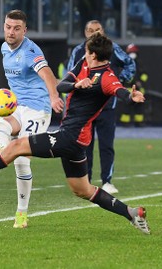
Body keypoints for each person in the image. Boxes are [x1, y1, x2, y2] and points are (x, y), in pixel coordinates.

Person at [0, 33, 150, 235]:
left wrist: (131, 97)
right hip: (76, 141)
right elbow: (62, 85)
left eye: (86, 52)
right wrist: (77, 84)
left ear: (93, 55)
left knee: (16, 147)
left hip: (70, 137)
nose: (84, 55)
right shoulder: (84, 65)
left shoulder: (106, 76)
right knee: (82, 190)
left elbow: (119, 91)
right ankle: (131, 213)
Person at [0, 10, 64, 229]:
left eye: (17, 28)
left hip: (38, 109)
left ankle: (21, 214)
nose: (11, 32)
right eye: (8, 27)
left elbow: (46, 73)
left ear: (24, 31)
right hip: (18, 106)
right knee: (2, 124)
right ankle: (0, 151)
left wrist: (54, 97)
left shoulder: (30, 50)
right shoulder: (4, 48)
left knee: (22, 161)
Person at [67, 20, 135, 194]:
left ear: (103, 32)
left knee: (106, 145)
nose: (94, 33)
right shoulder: (78, 51)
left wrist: (119, 81)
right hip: (85, 108)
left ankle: (107, 181)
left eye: (97, 30)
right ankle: (86, 182)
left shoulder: (112, 48)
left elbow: (130, 64)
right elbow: (68, 78)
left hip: (107, 106)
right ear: (85, 33)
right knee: (84, 145)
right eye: (90, 30)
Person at [119, 43, 149, 127]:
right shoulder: (125, 64)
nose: (132, 54)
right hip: (128, 89)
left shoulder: (139, 63)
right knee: (127, 107)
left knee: (139, 107)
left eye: (133, 52)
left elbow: (144, 74)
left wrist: (140, 81)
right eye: (130, 52)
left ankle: (139, 122)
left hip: (139, 89)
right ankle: (125, 123)